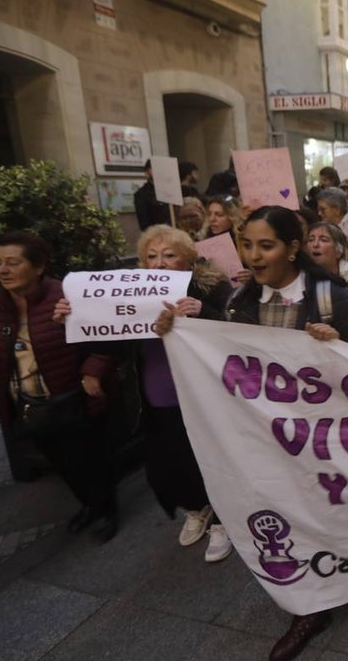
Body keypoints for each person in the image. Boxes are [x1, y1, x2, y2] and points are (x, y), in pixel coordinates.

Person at [159, 205, 348, 661]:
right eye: (247, 244)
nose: (254, 255)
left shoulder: (331, 296)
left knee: (330, 514)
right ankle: (309, 607)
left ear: (293, 249)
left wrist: (336, 345)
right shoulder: (239, 303)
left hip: (324, 442)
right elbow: (224, 365)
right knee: (286, 516)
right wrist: (177, 333)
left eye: (266, 245)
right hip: (268, 442)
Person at [60, 225, 235, 560]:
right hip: (158, 396)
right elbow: (110, 342)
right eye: (151, 256)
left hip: (205, 394)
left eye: (169, 255)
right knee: (169, 465)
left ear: (188, 261)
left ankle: (224, 520)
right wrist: (74, 320)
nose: (160, 263)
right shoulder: (131, 294)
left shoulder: (211, 288)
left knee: (210, 458)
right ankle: (196, 509)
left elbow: (236, 329)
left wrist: (204, 313)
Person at [0, 231, 118, 542]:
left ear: (38, 267)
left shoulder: (67, 296)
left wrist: (92, 372)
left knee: (88, 462)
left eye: (13, 262)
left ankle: (106, 510)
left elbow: (104, 341)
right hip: (29, 406)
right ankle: (89, 505)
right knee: (61, 464)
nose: (3, 270)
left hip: (72, 400)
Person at [132, 159, 167, 231]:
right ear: (147, 172)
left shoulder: (171, 190)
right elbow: (144, 224)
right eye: (154, 168)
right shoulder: (142, 194)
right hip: (156, 234)